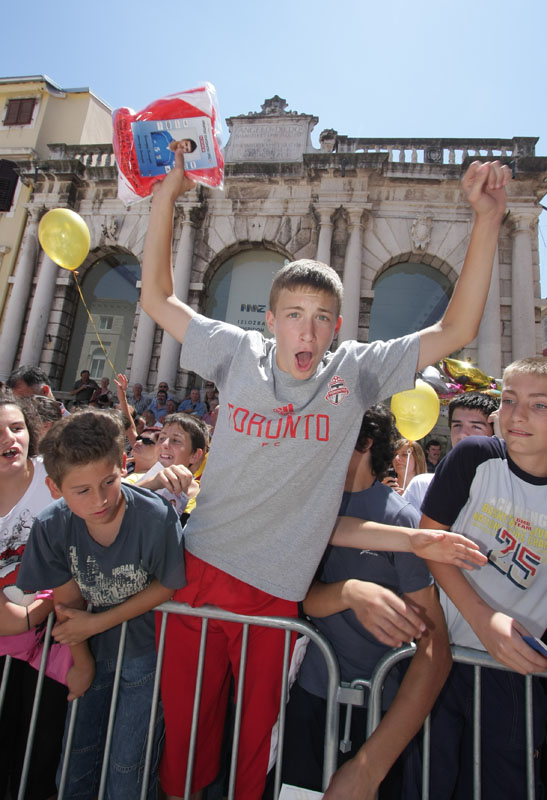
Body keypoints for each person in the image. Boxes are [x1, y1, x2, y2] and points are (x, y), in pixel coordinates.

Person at [140, 152, 510, 799]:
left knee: (254, 758)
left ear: (336, 327)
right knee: (187, 751)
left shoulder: (355, 371)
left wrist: (485, 217)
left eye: (319, 317)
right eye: (292, 314)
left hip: (276, 601)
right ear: (270, 319)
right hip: (198, 582)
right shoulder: (235, 351)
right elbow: (155, 297)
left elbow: (458, 328)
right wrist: (167, 195)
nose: (304, 330)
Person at [279, 405, 451, 800]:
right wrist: (348, 593)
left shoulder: (401, 519)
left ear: (365, 443)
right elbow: (295, 596)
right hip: (308, 697)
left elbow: (433, 644)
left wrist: (368, 767)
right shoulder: (308, 503)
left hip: (377, 709)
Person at [16, 409, 187, 799]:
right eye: (83, 491)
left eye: (110, 482)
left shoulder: (155, 516)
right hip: (92, 650)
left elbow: (168, 587)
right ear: (55, 488)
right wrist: (83, 658)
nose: (101, 499)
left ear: (122, 467)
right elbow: (68, 601)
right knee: (77, 755)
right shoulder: (51, 525)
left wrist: (95, 624)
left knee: (128, 764)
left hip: (147, 652)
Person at [404, 356, 547, 800]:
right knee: (427, 778)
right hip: (443, 656)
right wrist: (484, 621)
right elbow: (430, 540)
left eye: (539, 404)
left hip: (519, 676)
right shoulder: (475, 457)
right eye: (508, 400)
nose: (518, 415)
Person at [0, 393, 67, 800]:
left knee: (39, 754)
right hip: (13, 633)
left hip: (51, 650)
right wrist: (46, 602)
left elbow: (116, 490)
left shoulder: (53, 478)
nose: (9, 438)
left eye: (17, 427)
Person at [403, 391, 500, 512]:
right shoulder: (422, 486)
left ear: (494, 433)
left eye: (475, 427)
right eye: (457, 426)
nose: (462, 435)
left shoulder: (503, 493)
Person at [136, 412, 205, 517]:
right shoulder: (136, 478)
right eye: (162, 438)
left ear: (195, 455)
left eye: (176, 440)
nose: (164, 445)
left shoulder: (201, 501)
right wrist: (151, 484)